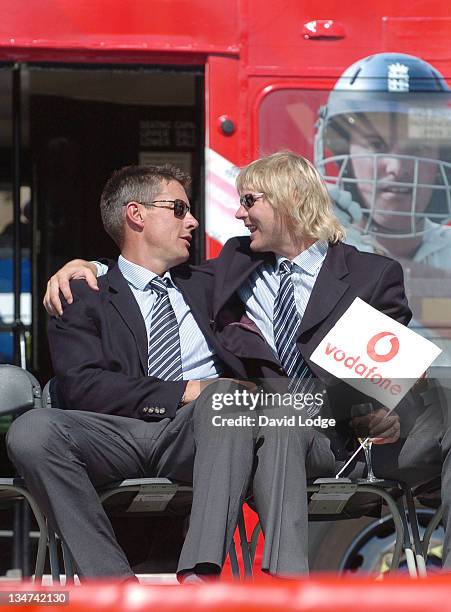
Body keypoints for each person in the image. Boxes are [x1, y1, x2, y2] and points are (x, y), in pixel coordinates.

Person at [46, 153, 447, 574]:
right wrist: (88, 267)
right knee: (277, 423)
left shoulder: (372, 275)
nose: (238, 213)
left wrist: (387, 408)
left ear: (288, 198)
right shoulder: (236, 267)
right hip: (263, 430)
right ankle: (281, 583)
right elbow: (142, 272)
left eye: (249, 201)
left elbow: (388, 367)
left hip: (339, 433)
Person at [9, 163, 338, 580]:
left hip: (201, 435)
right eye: (179, 208)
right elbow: (80, 386)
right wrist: (185, 390)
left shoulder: (212, 281)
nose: (193, 220)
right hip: (116, 434)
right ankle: (113, 587)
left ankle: (200, 575)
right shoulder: (84, 292)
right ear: (136, 214)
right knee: (31, 430)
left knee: (225, 398)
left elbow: (297, 254)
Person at [314, 52, 451, 267]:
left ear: (441, 157)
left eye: (418, 148)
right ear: (346, 157)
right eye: (376, 145)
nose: (397, 168)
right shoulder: (314, 249)